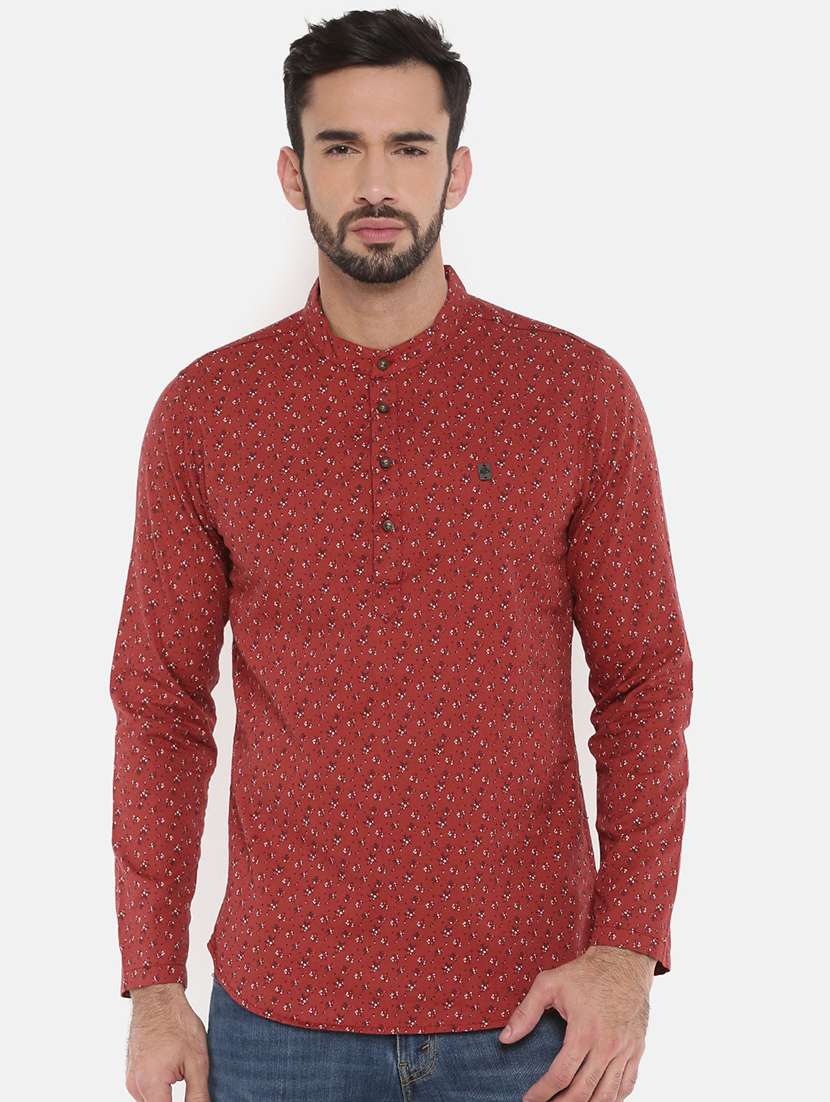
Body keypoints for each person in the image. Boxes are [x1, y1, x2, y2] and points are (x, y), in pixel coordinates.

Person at [110, 9, 693, 1102]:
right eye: (341, 147)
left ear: (455, 171)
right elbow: (161, 705)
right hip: (276, 1023)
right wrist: (152, 983)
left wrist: (626, 951)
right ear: (293, 172)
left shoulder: (574, 395)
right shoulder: (208, 412)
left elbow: (644, 683)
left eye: (409, 147)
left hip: (534, 1021)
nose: (375, 183)